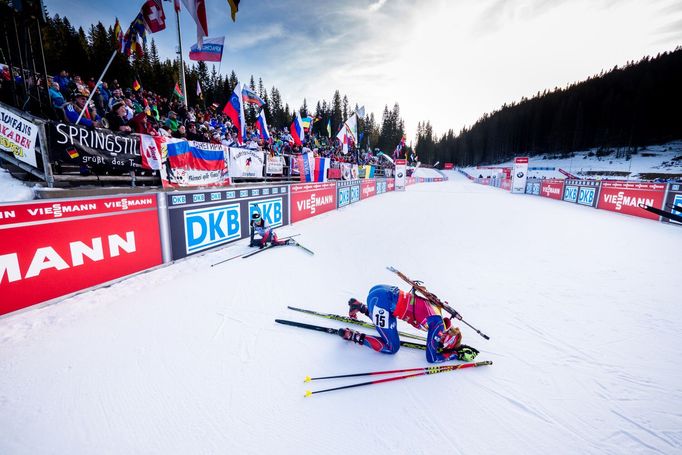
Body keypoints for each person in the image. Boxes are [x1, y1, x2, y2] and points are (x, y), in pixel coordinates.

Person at [340, 285, 479, 363]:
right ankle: (352, 335)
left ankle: (360, 306)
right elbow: (431, 358)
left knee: (388, 319)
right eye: (443, 343)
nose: (440, 342)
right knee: (392, 347)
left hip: (381, 291)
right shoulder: (438, 327)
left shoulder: (439, 314)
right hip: (382, 303)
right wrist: (454, 354)